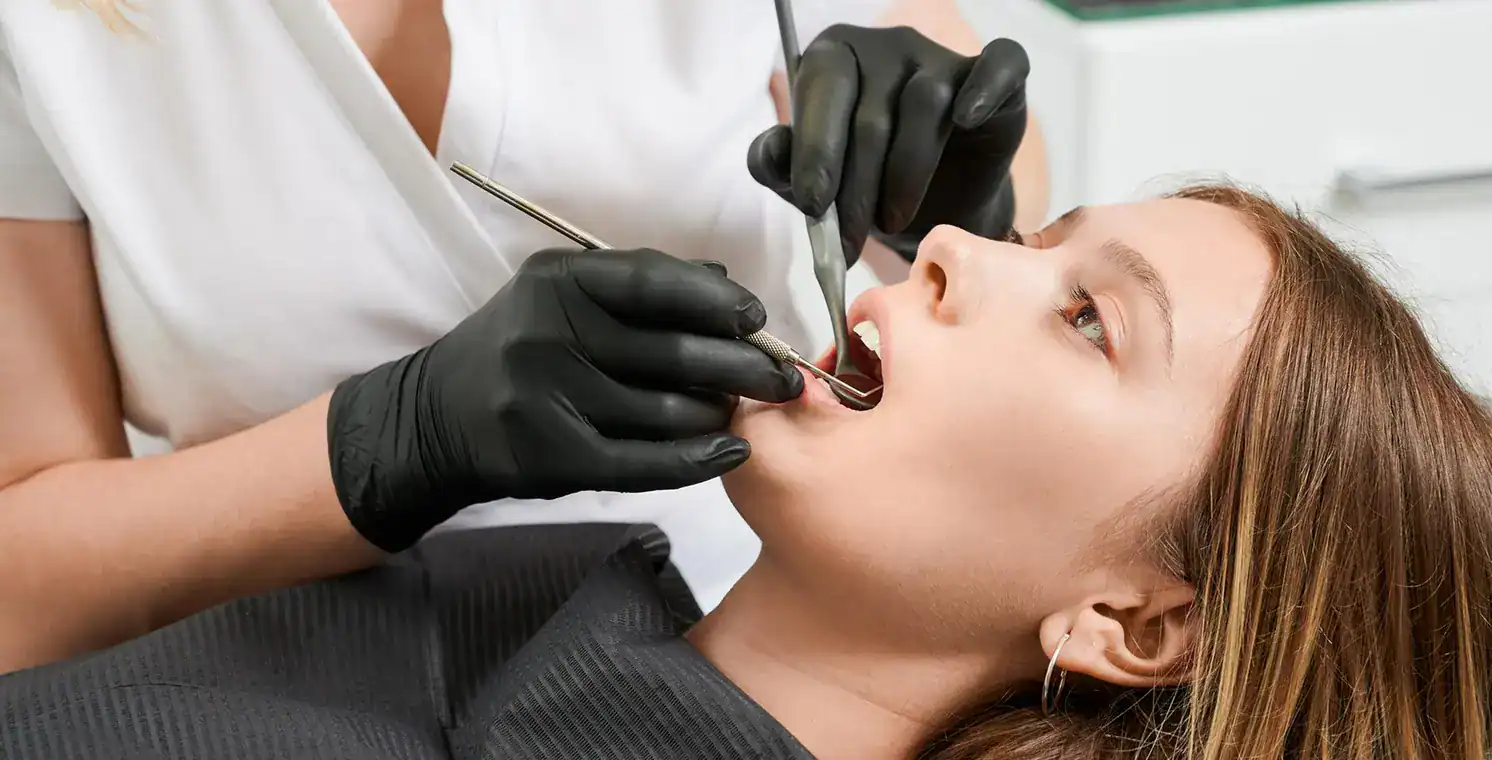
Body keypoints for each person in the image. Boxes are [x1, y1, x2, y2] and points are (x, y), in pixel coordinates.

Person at [4, 183, 1487, 760]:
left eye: (1090, 318)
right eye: (1035, 243)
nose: (956, 246)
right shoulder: (497, 596)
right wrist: (382, 447)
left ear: (1138, 623)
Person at [0, 0, 1051, 671]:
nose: (955, 278)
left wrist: (957, 198)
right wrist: (382, 445)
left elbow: (1004, 190)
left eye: (1090, 319)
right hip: (309, 697)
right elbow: (21, 589)